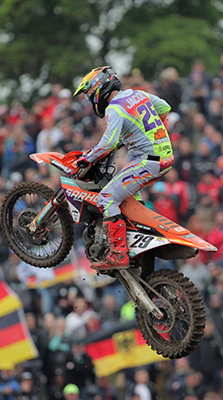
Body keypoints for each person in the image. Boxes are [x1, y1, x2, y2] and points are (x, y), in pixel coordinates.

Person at [72, 66, 175, 270]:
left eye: (89, 96)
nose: (90, 101)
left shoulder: (114, 108)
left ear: (96, 90)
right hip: (165, 154)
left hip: (149, 160)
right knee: (126, 194)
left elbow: (107, 144)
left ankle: (118, 253)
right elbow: (164, 108)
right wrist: (148, 132)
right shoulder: (136, 94)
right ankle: (138, 240)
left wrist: (87, 158)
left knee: (106, 198)